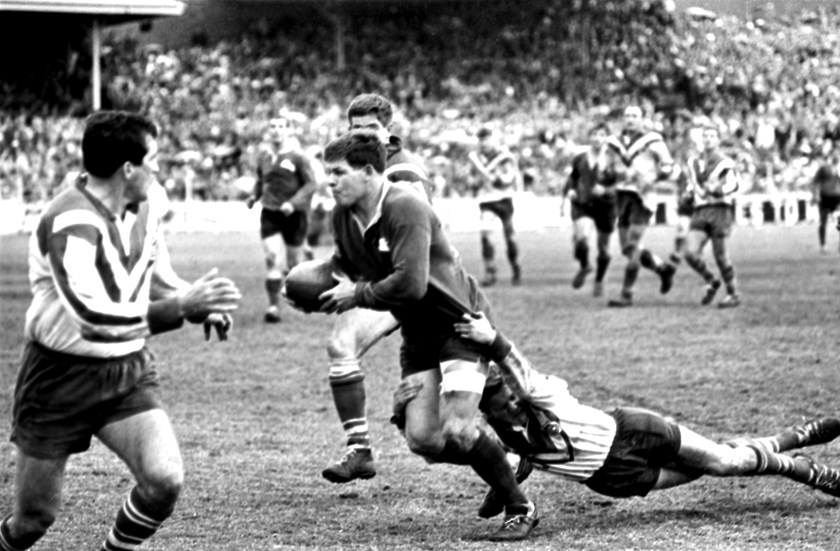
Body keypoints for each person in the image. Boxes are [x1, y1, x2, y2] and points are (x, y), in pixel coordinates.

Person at [0, 111, 241, 551]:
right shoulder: (69, 224)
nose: (160, 168)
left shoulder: (149, 203)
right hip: (58, 378)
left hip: (126, 370)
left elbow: (157, 272)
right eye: (154, 159)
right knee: (34, 520)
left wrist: (195, 301)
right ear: (128, 169)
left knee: (164, 480)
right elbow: (94, 321)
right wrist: (181, 308)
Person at [392, 312, 840, 521]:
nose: (506, 402)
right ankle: (786, 438)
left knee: (727, 464)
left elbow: (522, 378)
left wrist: (494, 340)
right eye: (495, 402)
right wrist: (409, 414)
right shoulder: (501, 440)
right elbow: (458, 447)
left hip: (634, 432)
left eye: (504, 394)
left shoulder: (541, 393)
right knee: (714, 466)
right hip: (613, 480)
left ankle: (807, 467)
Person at [314, 129, 538, 541]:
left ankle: (519, 505)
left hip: (459, 324)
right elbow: (349, 266)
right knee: (424, 440)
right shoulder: (342, 214)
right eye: (326, 173)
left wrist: (356, 294)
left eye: (337, 172)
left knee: (457, 428)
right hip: (418, 335)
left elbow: (411, 285)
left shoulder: (405, 205)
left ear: (367, 172)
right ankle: (504, 458)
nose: (329, 181)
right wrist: (316, 287)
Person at [321, 93, 430, 484]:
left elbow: (414, 239)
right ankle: (359, 448)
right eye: (356, 129)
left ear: (389, 131)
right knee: (341, 345)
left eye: (371, 129)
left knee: (459, 387)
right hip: (383, 284)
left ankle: (513, 442)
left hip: (422, 285)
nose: (363, 135)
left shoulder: (403, 173)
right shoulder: (353, 169)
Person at [246, 112, 318, 322]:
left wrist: (293, 203)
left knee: (294, 265)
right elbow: (261, 180)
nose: (276, 130)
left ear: (288, 131)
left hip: (295, 215)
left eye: (281, 126)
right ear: (268, 132)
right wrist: (254, 196)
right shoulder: (263, 157)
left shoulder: (298, 157)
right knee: (272, 259)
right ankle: (273, 308)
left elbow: (311, 184)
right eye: (273, 126)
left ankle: (305, 287)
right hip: (270, 212)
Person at [606, 106, 677, 307]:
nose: (630, 119)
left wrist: (652, 178)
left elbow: (668, 166)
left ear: (642, 119)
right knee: (626, 249)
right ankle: (663, 269)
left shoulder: (652, 140)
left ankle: (626, 294)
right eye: (627, 116)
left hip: (642, 198)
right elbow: (607, 170)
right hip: (622, 197)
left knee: (633, 245)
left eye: (635, 116)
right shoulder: (614, 143)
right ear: (623, 119)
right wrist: (609, 176)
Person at [682, 125, 742, 308]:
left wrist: (718, 190)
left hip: (720, 210)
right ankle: (712, 280)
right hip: (701, 210)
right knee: (690, 253)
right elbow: (692, 184)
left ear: (717, 140)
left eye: (711, 136)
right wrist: (688, 194)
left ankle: (733, 294)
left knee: (721, 256)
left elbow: (734, 185)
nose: (708, 139)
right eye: (705, 136)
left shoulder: (725, 163)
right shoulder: (693, 163)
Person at [561, 123, 621, 297]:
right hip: (583, 203)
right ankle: (585, 265)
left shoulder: (613, 158)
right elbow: (572, 178)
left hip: (606, 206)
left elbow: (622, 183)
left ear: (607, 138)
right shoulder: (580, 158)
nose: (597, 138)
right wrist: (570, 190)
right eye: (594, 134)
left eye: (602, 135)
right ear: (589, 137)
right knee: (581, 240)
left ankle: (599, 280)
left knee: (603, 248)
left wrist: (607, 190)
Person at [468, 126, 523, 287]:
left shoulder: (503, 156)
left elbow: (511, 176)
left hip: (504, 199)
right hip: (486, 200)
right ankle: (490, 271)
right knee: (486, 235)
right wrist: (475, 182)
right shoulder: (476, 158)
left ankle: (515, 266)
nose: (484, 143)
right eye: (481, 139)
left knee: (510, 238)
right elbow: (471, 179)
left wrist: (500, 179)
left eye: (486, 139)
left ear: (493, 139)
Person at [810, 149, 840, 254]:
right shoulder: (824, 168)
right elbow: (815, 182)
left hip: (837, 197)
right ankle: (823, 246)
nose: (836, 156)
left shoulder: (838, 168)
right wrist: (816, 195)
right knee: (823, 222)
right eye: (835, 154)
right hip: (825, 197)